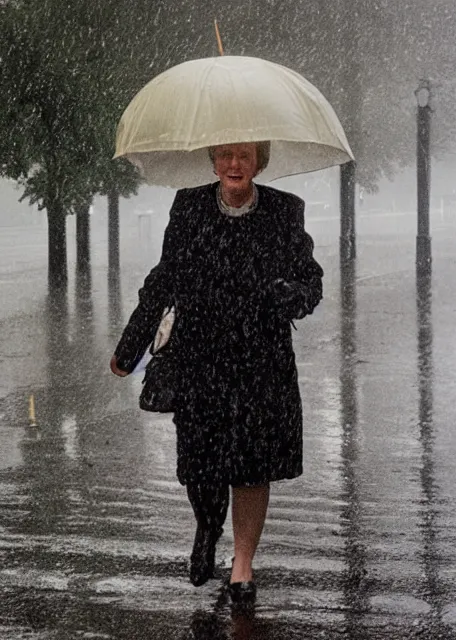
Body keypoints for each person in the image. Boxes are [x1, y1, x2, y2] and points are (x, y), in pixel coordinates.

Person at [110, 141, 323, 605]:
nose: (234, 164)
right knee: (201, 465)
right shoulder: (189, 208)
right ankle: (208, 524)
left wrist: (292, 295)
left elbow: (311, 280)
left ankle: (242, 565)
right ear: (212, 160)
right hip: (199, 360)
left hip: (260, 362)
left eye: (244, 155)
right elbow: (163, 282)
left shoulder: (285, 212)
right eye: (225, 154)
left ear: (259, 162)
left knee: (252, 465)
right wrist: (129, 349)